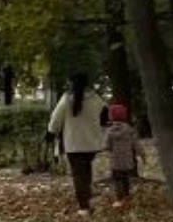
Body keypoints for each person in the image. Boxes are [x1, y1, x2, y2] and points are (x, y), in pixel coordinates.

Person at [45, 72, 109, 211]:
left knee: (79, 174)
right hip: (91, 143)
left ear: (71, 83)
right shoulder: (95, 98)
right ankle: (87, 198)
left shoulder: (66, 99)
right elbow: (105, 115)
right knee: (86, 169)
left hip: (73, 144)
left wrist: (51, 132)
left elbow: (56, 119)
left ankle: (84, 206)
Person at [104, 100, 142, 206]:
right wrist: (141, 154)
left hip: (115, 160)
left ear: (111, 117)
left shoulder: (109, 131)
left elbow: (107, 145)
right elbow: (136, 144)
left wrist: (110, 149)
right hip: (127, 160)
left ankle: (119, 199)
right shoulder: (129, 130)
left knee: (117, 179)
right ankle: (126, 196)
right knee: (125, 178)